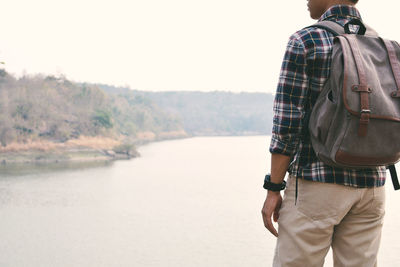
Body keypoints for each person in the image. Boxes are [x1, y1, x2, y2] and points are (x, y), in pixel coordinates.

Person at [261, 1, 387, 266]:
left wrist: (274, 188)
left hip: (317, 181)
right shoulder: (383, 45)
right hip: (371, 185)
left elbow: (287, 123)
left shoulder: (305, 40)